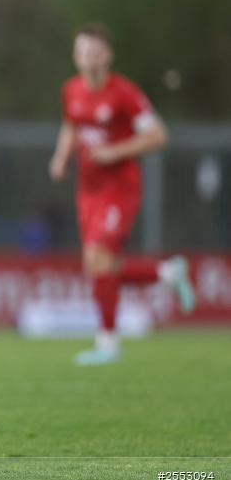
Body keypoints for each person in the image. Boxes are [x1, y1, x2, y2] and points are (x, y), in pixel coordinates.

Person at [49, 25, 195, 366]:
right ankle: (167, 274)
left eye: (96, 52)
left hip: (120, 188)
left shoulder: (124, 93)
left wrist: (115, 151)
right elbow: (71, 125)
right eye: (84, 52)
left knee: (99, 259)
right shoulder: (71, 90)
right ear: (76, 57)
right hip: (88, 190)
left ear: (108, 56)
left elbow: (158, 136)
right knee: (100, 266)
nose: (90, 58)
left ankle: (108, 344)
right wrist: (61, 157)